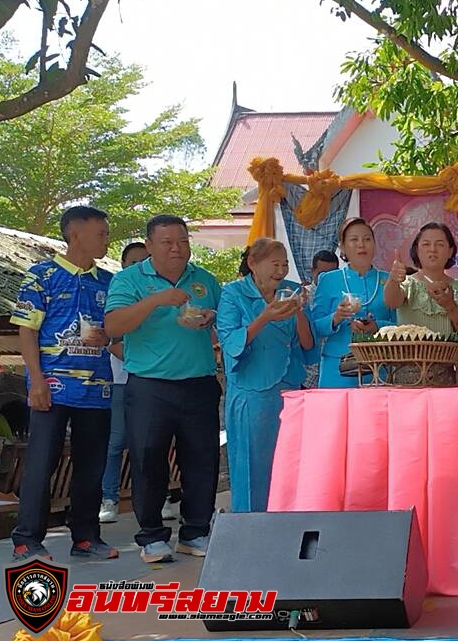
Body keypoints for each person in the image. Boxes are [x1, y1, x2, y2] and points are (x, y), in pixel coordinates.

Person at [105, 214, 223, 563]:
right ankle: (152, 537)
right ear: (151, 245)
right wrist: (157, 300)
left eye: (183, 241)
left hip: (199, 381)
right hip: (149, 385)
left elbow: (221, 321)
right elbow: (113, 325)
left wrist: (211, 319)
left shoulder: (204, 279)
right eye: (167, 242)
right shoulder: (129, 280)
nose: (177, 248)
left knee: (203, 460)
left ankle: (195, 532)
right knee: (147, 460)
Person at [8, 205, 117, 561]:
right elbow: (27, 330)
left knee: (91, 465)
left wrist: (109, 339)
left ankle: (86, 538)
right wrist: (35, 380)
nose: (106, 239)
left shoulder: (109, 282)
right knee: (41, 462)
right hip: (51, 387)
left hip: (97, 388)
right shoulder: (42, 275)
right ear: (76, 235)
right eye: (100, 232)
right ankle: (27, 541)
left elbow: (116, 335)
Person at [216, 239, 313, 512]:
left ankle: (287, 523)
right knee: (252, 462)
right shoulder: (233, 294)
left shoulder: (292, 291)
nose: (280, 270)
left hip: (289, 386)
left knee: (290, 462)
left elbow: (307, 344)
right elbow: (230, 340)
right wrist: (264, 317)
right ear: (253, 264)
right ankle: (249, 527)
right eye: (274, 264)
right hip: (251, 389)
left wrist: (300, 312)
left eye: (284, 264)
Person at [382, 222, 458, 385]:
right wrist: (393, 280)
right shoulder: (408, 284)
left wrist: (450, 306)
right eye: (426, 244)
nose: (432, 249)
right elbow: (392, 301)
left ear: (450, 251)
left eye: (440, 244)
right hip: (406, 373)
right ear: (417, 251)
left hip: (445, 373)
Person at [310, 218, 396, 388]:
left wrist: (377, 326)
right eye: (354, 239)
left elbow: (401, 325)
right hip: (337, 368)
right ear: (342, 246)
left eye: (367, 239)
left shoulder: (389, 279)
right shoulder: (328, 280)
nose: (361, 245)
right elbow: (315, 328)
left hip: (380, 367)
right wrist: (335, 318)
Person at [99, 241, 150, 524]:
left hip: (154, 383)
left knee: (152, 442)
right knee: (116, 441)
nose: (139, 267)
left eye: (145, 261)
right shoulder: (118, 295)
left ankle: (160, 497)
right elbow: (112, 341)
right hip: (122, 380)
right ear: (123, 266)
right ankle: (109, 498)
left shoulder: (159, 294)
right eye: (133, 263)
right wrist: (147, 358)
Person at [302, 249, 340, 389]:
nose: (326, 278)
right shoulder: (302, 295)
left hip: (335, 367)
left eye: (331, 274)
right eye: (322, 274)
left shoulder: (343, 294)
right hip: (308, 372)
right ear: (312, 271)